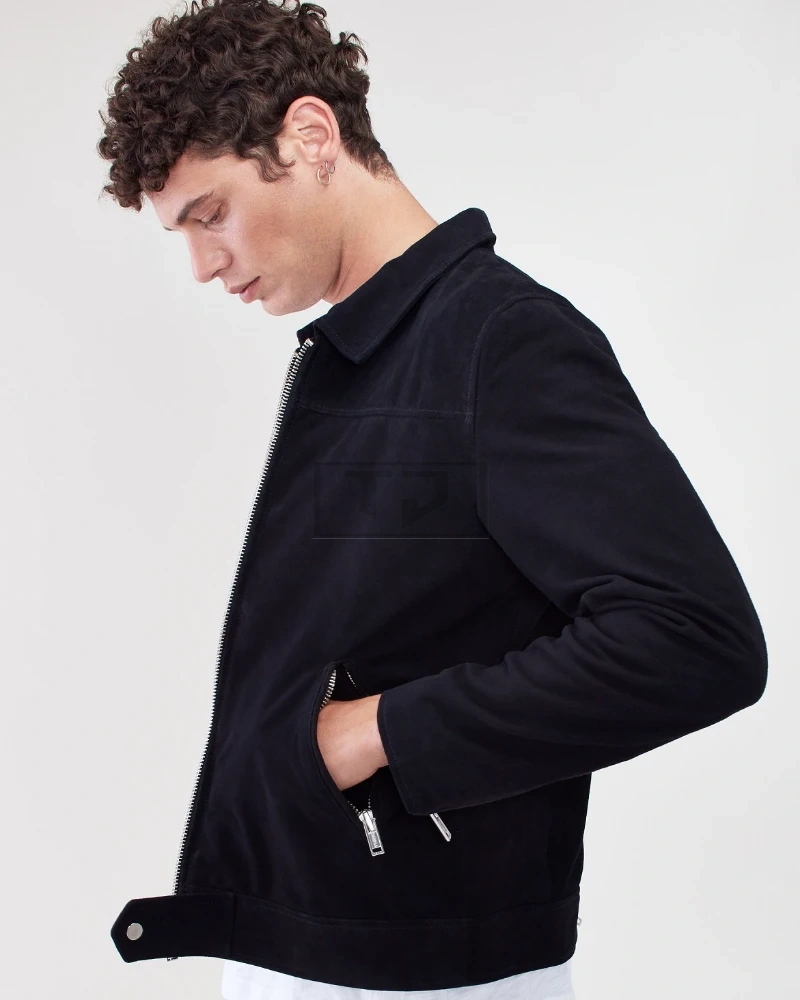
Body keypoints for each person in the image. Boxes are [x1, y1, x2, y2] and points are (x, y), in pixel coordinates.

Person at [99, 3, 767, 999]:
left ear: (310, 136)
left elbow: (695, 638)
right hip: (312, 944)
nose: (202, 264)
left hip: (421, 970)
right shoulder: (365, 352)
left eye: (210, 213)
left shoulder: (499, 342)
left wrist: (378, 732)